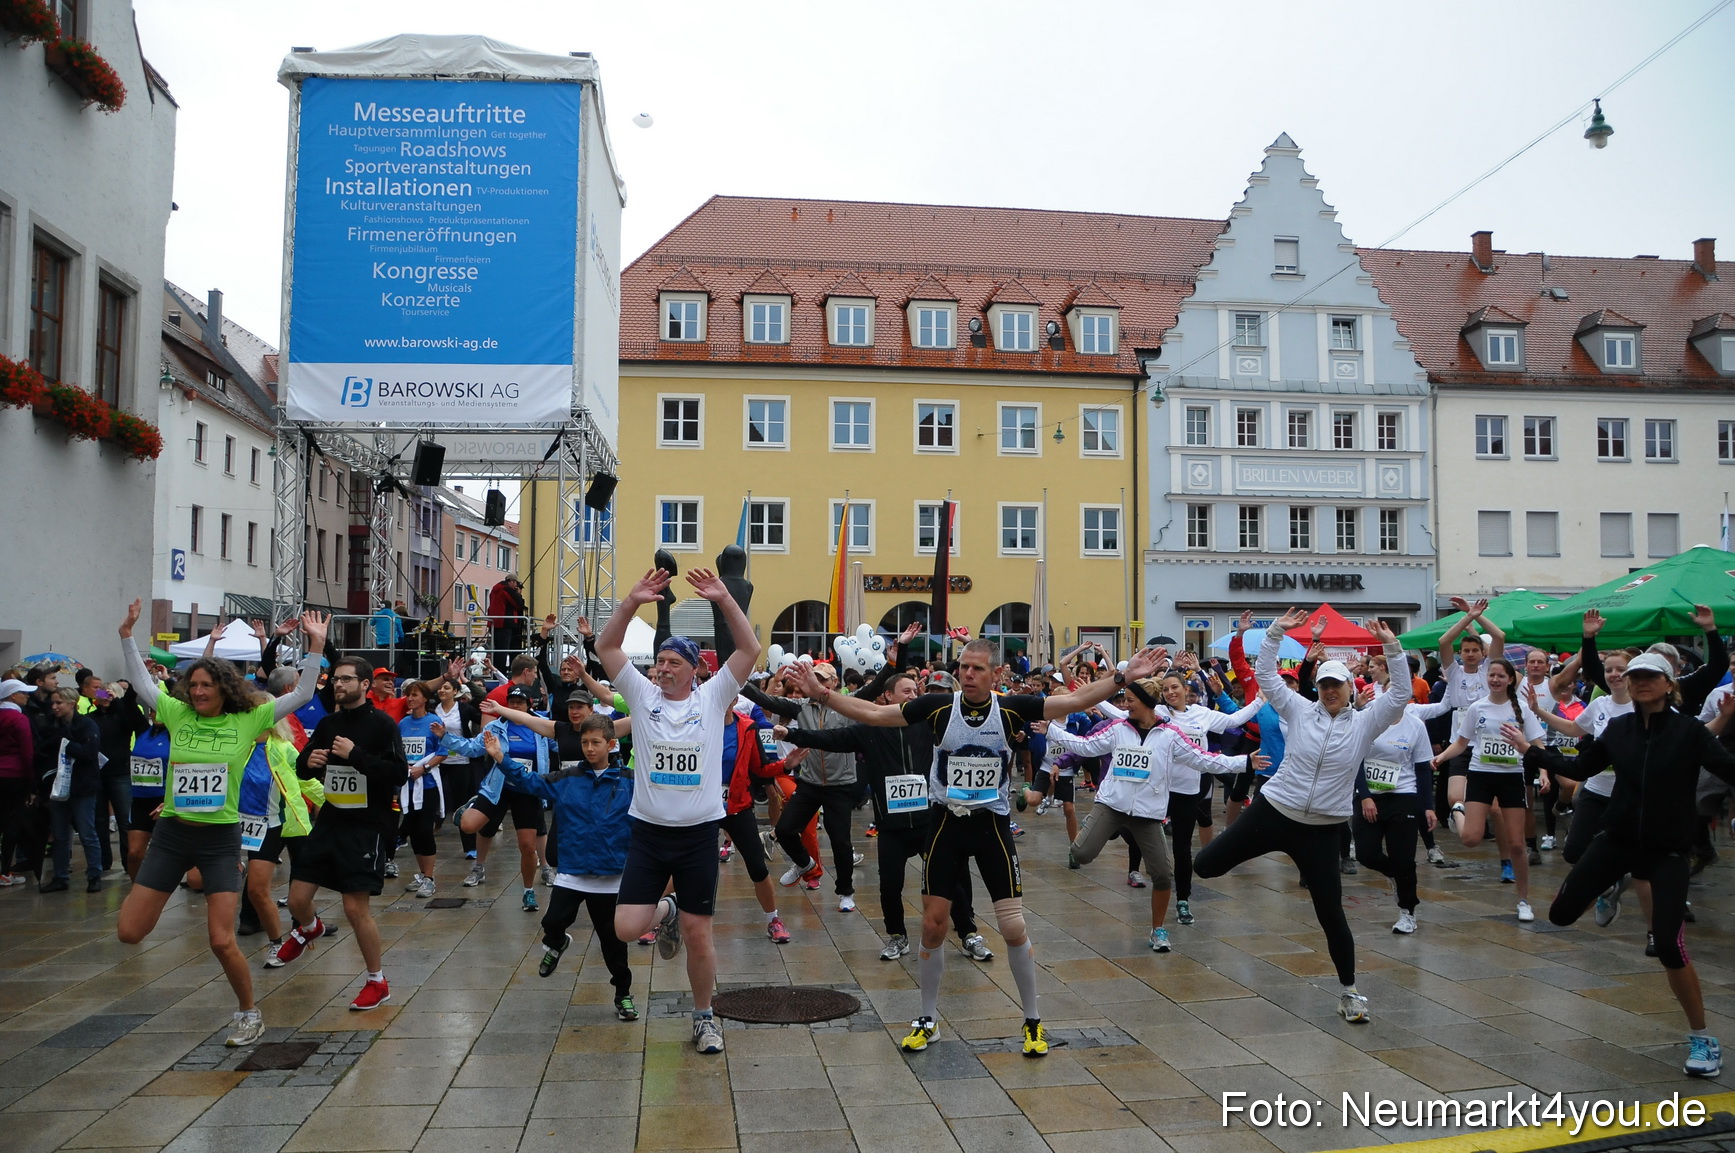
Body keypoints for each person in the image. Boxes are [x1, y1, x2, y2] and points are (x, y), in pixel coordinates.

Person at [784, 637, 1164, 1058]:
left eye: (977, 668)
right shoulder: (937, 708)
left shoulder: (1013, 707)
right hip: (946, 822)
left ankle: (1033, 1020)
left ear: (996, 674)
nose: (967, 673)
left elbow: (1074, 701)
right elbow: (874, 712)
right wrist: (823, 694)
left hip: (992, 826)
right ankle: (927, 1018)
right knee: (933, 925)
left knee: (1013, 927)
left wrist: (1122, 677)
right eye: (964, 666)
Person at [115, 600, 325, 1047]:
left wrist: (316, 647)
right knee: (129, 933)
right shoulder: (176, 713)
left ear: (223, 687)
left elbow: (302, 695)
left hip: (219, 840)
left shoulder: (249, 719)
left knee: (220, 940)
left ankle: (249, 1014)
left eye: (206, 685)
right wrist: (127, 635)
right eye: (192, 685)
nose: (198, 692)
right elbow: (140, 683)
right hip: (172, 834)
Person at [1192, 608, 1410, 1024]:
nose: (1329, 691)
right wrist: (1274, 632)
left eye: (1337, 686)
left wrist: (1392, 647)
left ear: (1349, 688)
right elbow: (1266, 674)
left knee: (1331, 912)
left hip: (1322, 830)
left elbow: (1399, 695)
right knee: (1205, 866)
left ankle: (1349, 991)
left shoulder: (1365, 724)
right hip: (1275, 811)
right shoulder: (1297, 709)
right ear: (1318, 686)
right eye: (1324, 685)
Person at [1528, 655, 1735, 1077]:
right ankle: (1614, 883)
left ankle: (1702, 1038)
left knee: (1669, 946)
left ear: (1668, 683)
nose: (1638, 683)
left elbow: (1730, 769)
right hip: (1616, 842)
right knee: (1560, 915)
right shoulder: (1617, 729)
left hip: (1667, 852)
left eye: (1648, 677)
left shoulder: (1689, 731)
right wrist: (1533, 752)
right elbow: (1579, 766)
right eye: (1633, 676)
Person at [595, 566, 760, 1055]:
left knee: (699, 933)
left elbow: (748, 651)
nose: (662, 669)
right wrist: (631, 601)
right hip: (647, 834)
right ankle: (663, 911)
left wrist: (725, 599)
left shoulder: (713, 698)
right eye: (659, 661)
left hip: (696, 837)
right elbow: (607, 648)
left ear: (694, 669)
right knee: (626, 928)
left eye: (672, 662)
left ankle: (705, 1017)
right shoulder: (642, 697)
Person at [776, 671, 990, 961]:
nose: (913, 696)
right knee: (890, 886)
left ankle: (968, 934)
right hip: (892, 828)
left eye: (916, 691)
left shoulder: (929, 725)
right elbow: (830, 738)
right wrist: (792, 734)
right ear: (888, 697)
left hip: (929, 823)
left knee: (950, 881)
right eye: (906, 691)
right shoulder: (870, 729)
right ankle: (897, 937)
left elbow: (969, 729)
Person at [1046, 676, 1263, 952]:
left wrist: (1244, 762)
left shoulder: (1171, 735)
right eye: (1125, 700)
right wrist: (1051, 730)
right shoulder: (1118, 729)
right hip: (1112, 806)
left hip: (1148, 814)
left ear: (1147, 704)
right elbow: (1085, 746)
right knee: (1082, 854)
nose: (1126, 705)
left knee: (1162, 874)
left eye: (1131, 701)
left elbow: (1204, 758)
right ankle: (1092, 829)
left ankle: (1158, 930)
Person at [273, 657, 410, 1012]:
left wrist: (357, 755)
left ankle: (377, 981)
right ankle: (310, 927)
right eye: (335, 679)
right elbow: (303, 765)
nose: (338, 684)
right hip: (331, 819)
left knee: (354, 908)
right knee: (298, 897)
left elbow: (398, 773)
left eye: (347, 679)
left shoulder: (381, 725)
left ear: (365, 685)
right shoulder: (328, 723)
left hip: (367, 825)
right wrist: (310, 761)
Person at [485, 715, 639, 1019]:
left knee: (613, 944)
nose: (589, 749)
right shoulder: (566, 779)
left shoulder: (629, 782)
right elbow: (529, 782)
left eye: (596, 743)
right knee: (552, 923)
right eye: (584, 743)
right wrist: (501, 758)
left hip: (611, 877)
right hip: (572, 872)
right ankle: (556, 944)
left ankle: (623, 994)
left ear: (611, 744)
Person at [1430, 656, 1544, 921]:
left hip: (1511, 777)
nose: (1495, 680)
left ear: (1510, 680)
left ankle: (1524, 900)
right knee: (1470, 839)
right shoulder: (1477, 708)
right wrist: (1441, 757)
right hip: (1481, 774)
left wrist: (1546, 772)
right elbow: (1461, 743)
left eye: (1500, 676)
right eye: (1491, 675)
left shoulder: (1521, 710)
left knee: (1517, 844)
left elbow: (1538, 744)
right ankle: (1457, 810)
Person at [439, 687, 552, 907]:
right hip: (498, 787)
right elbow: (472, 748)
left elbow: (561, 742)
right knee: (469, 826)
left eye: (520, 702)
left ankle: (528, 890)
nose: (515, 706)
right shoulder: (496, 727)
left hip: (527, 789)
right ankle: (478, 865)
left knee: (528, 846)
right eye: (512, 702)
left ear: (529, 704)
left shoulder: (540, 726)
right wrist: (445, 737)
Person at [36, 687, 103, 893]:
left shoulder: (86, 724)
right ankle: (60, 876)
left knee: (87, 833)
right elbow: (42, 752)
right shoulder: (50, 724)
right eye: (53, 703)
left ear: (71, 704)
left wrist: (65, 743)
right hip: (58, 787)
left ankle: (94, 875)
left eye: (59, 703)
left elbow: (89, 753)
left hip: (82, 787)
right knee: (60, 835)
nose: (54, 707)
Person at [392, 681, 446, 897]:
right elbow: (398, 751)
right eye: (408, 695)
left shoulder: (434, 722)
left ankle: (430, 877)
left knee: (425, 829)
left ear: (425, 698)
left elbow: (443, 752)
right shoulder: (403, 724)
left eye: (414, 695)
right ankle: (422, 874)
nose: (410, 699)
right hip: (408, 784)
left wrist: (423, 768)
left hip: (428, 784)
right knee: (413, 830)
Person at [0, 678, 37, 886]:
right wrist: (32, 782)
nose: (27, 695)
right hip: (15, 776)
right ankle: (4, 870)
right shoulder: (19, 719)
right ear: (13, 696)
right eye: (23, 692)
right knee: (12, 823)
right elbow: (27, 751)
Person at [488, 576, 528, 665]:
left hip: (494, 623)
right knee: (504, 651)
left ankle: (497, 673)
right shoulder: (507, 590)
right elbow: (518, 604)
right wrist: (518, 594)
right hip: (505, 624)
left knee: (498, 650)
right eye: (516, 584)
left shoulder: (495, 590)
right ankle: (504, 672)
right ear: (512, 582)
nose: (516, 587)